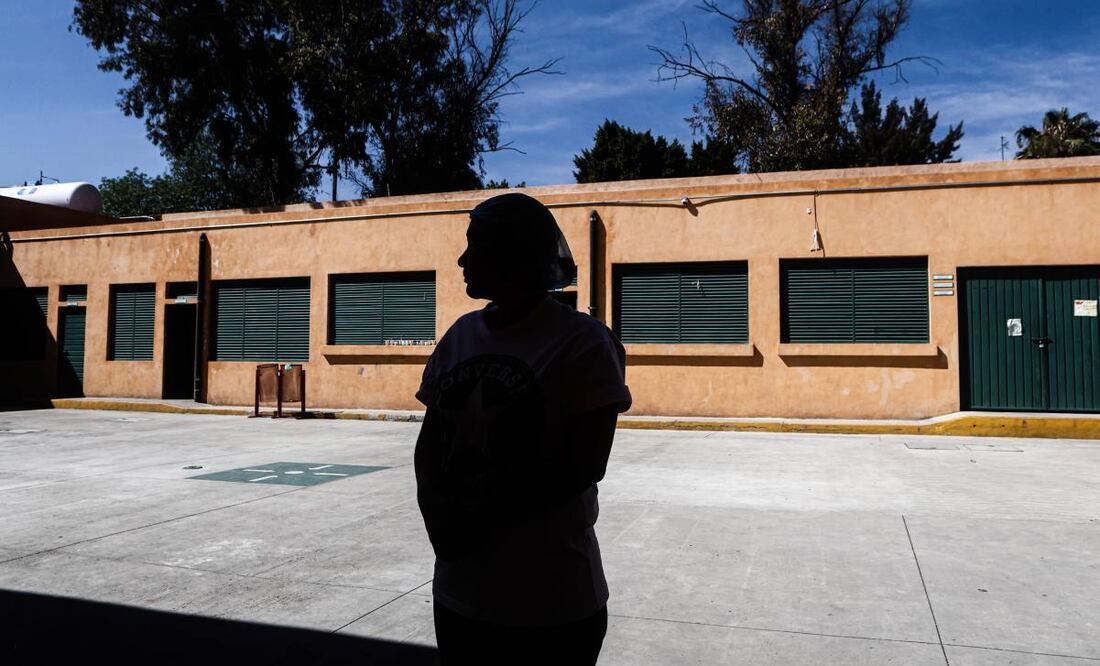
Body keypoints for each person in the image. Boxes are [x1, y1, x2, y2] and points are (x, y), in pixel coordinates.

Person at [414, 193, 632, 665]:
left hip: (551, 603)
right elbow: (431, 446)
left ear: (514, 253)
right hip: (460, 595)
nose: (462, 259)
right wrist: (437, 520)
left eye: (476, 245)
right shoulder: (460, 335)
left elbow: (583, 464)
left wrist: (475, 522)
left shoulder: (584, 343)